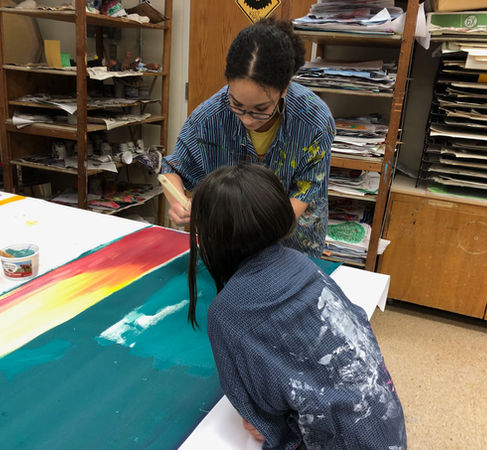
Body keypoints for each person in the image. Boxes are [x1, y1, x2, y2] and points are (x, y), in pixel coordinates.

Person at [187, 164, 407, 450]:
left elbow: (260, 420)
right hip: (388, 427)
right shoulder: (301, 262)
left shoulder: (226, 312)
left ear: (210, 235)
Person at [162, 18, 335, 257]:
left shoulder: (312, 120)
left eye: (261, 109)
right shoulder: (210, 116)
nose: (248, 119)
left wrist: (251, 236)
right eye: (237, 104)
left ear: (284, 88)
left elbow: (304, 192)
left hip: (293, 245)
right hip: (227, 247)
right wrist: (178, 203)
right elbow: (172, 168)